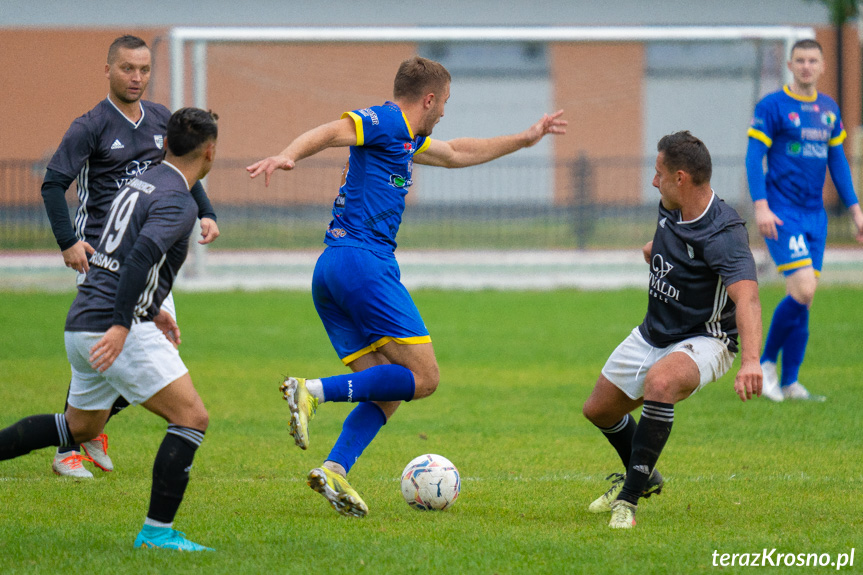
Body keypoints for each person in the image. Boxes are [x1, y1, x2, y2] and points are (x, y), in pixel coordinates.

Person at [247, 55, 566, 517]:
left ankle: (335, 468)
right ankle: (312, 390)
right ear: (429, 98)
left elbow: (457, 153)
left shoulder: (407, 138)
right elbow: (332, 131)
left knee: (390, 390)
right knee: (427, 378)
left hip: (332, 270)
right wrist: (289, 155)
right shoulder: (385, 120)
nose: (444, 114)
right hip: (363, 263)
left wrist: (525, 137)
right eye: (444, 103)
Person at [2, 107, 219, 551]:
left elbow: (116, 251)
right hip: (112, 326)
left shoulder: (142, 181)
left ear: (164, 144)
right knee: (191, 418)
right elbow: (139, 257)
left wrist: (152, 307)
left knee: (78, 427)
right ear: (210, 153)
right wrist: (124, 324)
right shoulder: (178, 200)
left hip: (82, 319)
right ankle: (157, 533)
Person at [40, 34, 221, 477]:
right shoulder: (91, 125)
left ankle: (90, 430)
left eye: (143, 69)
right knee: (103, 349)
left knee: (153, 353)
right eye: (127, 69)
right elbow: (52, 183)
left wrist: (207, 212)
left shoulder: (162, 118)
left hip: (152, 253)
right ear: (108, 70)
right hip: (103, 256)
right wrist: (67, 242)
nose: (137, 77)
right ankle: (70, 447)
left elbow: (182, 169)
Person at [582, 131, 763, 529]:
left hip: (706, 339)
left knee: (659, 384)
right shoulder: (671, 203)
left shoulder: (723, 233)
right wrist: (654, 251)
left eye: (658, 172)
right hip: (655, 330)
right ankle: (646, 477)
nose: (652, 180)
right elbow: (670, 242)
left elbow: (747, 299)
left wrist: (751, 361)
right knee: (598, 410)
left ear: (680, 177)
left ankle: (628, 500)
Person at [746, 38, 863, 402]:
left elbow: (838, 162)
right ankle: (766, 364)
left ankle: (791, 381)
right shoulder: (772, 106)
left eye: (813, 60)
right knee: (804, 289)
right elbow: (754, 158)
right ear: (790, 65)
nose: (807, 66)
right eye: (800, 60)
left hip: (816, 217)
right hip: (782, 213)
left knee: (804, 300)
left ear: (823, 66)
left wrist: (856, 210)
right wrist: (762, 207)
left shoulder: (828, 109)